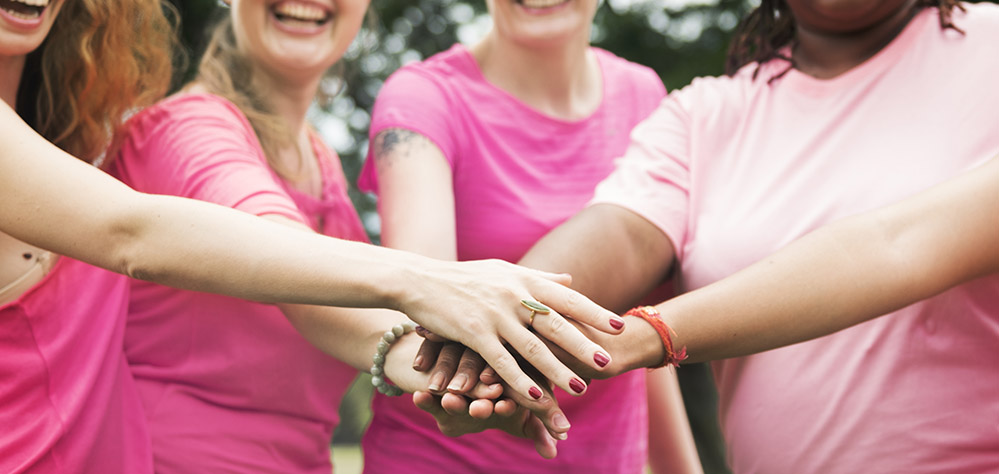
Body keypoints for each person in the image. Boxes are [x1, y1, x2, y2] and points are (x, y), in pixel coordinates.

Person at [0, 1, 623, 471]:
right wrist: (433, 293)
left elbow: (338, 307)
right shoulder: (187, 129)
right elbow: (267, 264)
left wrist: (452, 379)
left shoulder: (322, 159)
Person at [424, 1, 999, 472]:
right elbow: (619, 235)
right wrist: (489, 342)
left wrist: (649, 335)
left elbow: (901, 246)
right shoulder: (706, 114)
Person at [358, 0, 701, 472]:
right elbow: (427, 298)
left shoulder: (643, 93)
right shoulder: (422, 98)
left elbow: (634, 320)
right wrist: (461, 390)